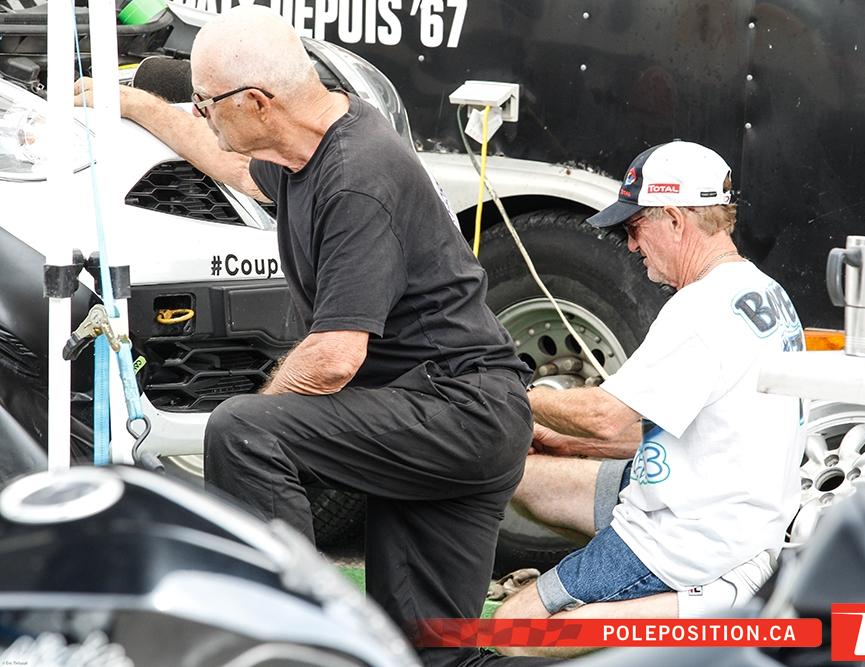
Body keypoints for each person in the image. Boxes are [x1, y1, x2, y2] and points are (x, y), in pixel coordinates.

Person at [76, 8, 546, 667]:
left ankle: (290, 641)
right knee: (431, 654)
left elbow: (333, 358)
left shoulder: (357, 176)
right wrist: (131, 102)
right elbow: (229, 162)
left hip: (457, 412)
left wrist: (267, 414)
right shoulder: (311, 143)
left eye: (207, 102)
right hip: (454, 409)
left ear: (257, 102)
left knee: (245, 430)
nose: (201, 113)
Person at [493, 140, 806, 658]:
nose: (632, 246)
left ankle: (701, 610)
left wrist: (509, 395)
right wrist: (571, 445)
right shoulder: (764, 291)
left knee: (510, 630)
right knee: (527, 478)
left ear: (676, 220)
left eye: (635, 228)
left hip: (689, 543)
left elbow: (606, 416)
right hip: (741, 518)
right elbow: (709, 431)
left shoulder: (700, 308)